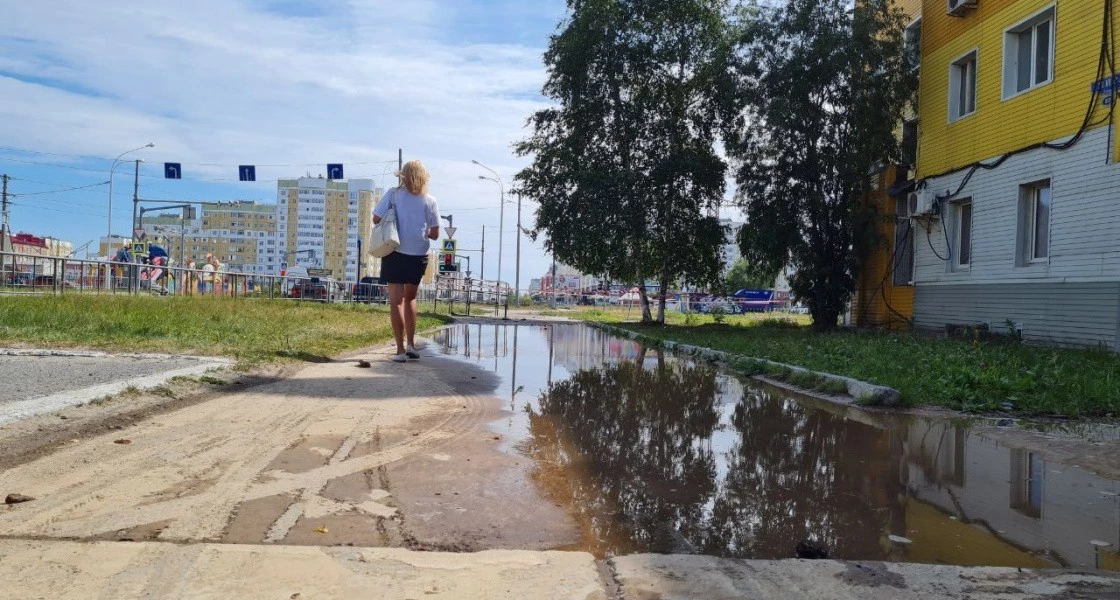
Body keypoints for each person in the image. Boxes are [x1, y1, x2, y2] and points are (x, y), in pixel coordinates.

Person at [372, 160, 439, 363]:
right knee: (410, 299)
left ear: (403, 175)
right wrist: (420, 231)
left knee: (396, 301)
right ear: (424, 177)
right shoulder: (430, 201)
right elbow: (435, 234)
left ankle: (400, 350)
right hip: (418, 254)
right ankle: (411, 344)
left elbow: (376, 218)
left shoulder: (393, 194)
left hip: (395, 250)